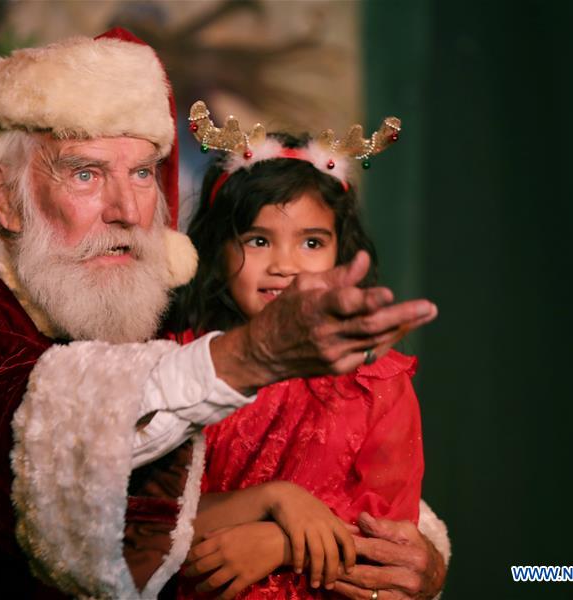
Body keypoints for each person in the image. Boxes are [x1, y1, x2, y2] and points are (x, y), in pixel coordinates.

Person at [0, 30, 442, 599]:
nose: (128, 211)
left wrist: (416, 555)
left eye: (140, 174)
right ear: (6, 197)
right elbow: (46, 437)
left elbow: (316, 473)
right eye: (86, 173)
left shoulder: (128, 302)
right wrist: (255, 356)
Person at [166, 110, 449, 599]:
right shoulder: (182, 362)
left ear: (343, 255)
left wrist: (280, 544)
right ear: (218, 249)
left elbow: (390, 545)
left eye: (312, 242)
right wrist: (272, 501)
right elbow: (142, 522)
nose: (285, 265)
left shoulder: (378, 383)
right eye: (258, 240)